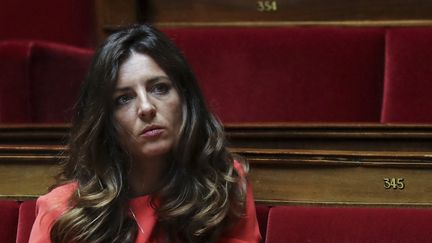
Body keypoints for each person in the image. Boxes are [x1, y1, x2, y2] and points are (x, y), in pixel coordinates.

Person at [29, 24, 261, 243]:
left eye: (159, 88)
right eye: (124, 98)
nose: (146, 108)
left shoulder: (222, 185)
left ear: (185, 99)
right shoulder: (62, 210)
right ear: (106, 120)